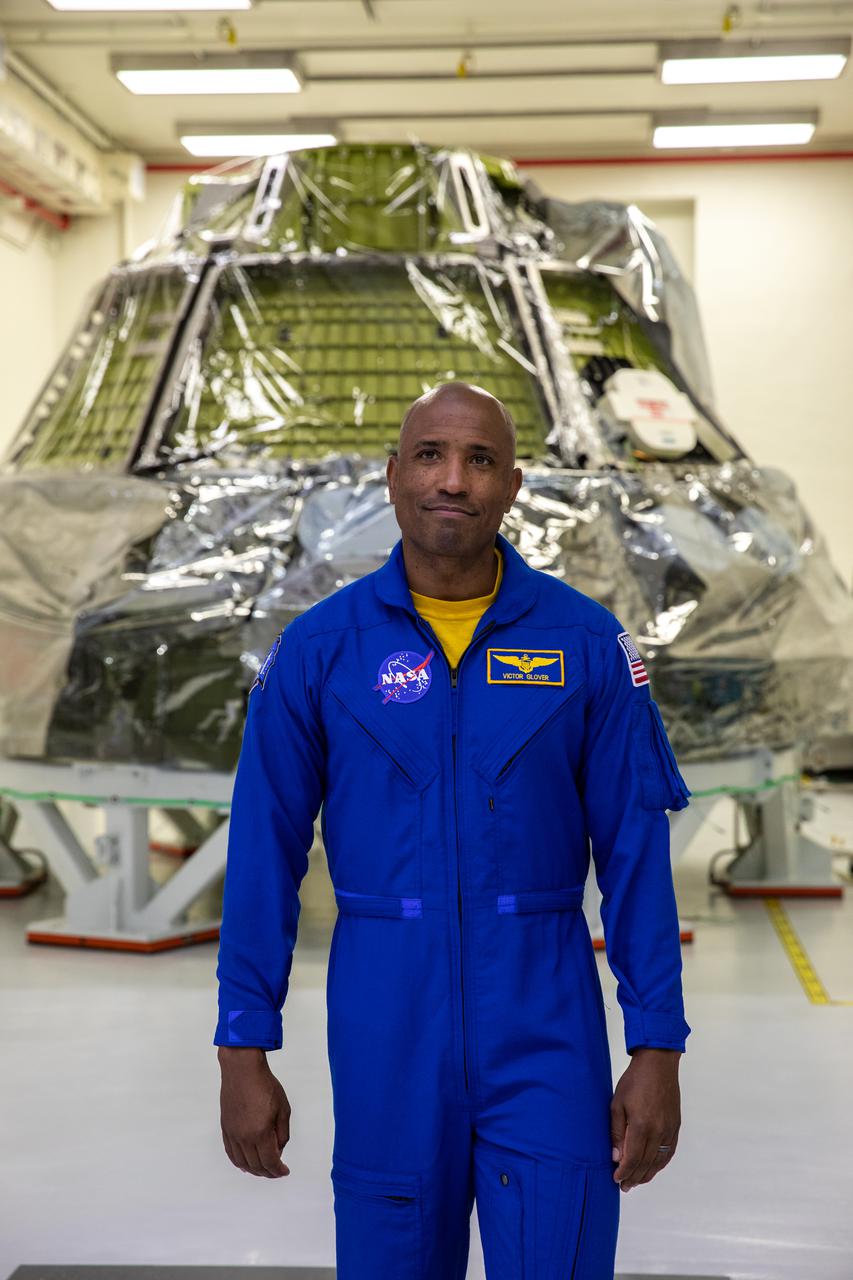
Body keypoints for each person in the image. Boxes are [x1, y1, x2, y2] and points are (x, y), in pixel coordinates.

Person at [214, 381, 692, 1279]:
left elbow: (635, 860)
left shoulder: (585, 646)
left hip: (545, 1024)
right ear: (391, 476)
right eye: (430, 455)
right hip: (384, 1027)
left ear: (511, 487)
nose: (452, 480)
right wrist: (243, 1047)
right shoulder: (320, 652)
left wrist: (655, 1045)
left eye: (479, 460)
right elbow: (261, 857)